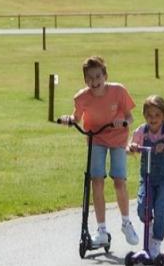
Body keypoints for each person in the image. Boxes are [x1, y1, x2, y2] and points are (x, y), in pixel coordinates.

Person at [66, 55, 139, 247]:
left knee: (118, 181)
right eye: (90, 78)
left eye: (98, 76)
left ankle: (126, 222)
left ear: (105, 76)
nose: (94, 81)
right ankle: (102, 230)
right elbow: (76, 117)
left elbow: (131, 118)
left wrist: (121, 122)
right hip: (96, 138)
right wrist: (69, 119)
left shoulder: (118, 91)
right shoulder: (81, 97)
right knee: (96, 181)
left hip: (117, 138)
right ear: (85, 80)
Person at [128, 95, 164, 258]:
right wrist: (132, 148)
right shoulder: (141, 131)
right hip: (147, 178)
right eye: (150, 115)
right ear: (145, 115)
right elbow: (129, 149)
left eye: (157, 115)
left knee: (160, 211)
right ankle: (150, 229)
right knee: (142, 208)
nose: (153, 119)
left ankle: (156, 244)